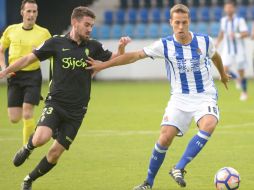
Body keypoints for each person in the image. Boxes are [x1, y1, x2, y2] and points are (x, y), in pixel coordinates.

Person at [86, 4, 229, 190]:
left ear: (189, 22)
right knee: (165, 137)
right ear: (171, 23)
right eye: (177, 23)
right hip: (179, 98)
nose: (180, 27)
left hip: (205, 95)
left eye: (184, 22)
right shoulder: (164, 45)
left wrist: (223, 74)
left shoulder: (204, 41)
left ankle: (179, 167)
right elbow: (134, 56)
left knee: (209, 123)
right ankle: (148, 182)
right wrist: (102, 66)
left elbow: (216, 56)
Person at [0, 6, 130, 190]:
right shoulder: (56, 42)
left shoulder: (93, 46)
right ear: (74, 23)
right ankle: (28, 147)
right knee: (40, 139)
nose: (89, 29)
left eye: (91, 25)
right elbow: (29, 59)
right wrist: (6, 70)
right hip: (56, 103)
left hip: (77, 111)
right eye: (86, 25)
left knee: (54, 154)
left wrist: (121, 48)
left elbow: (115, 59)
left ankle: (29, 179)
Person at [0, 0, 51, 145]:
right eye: (28, 11)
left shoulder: (44, 33)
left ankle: (26, 148)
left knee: (27, 112)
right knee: (14, 118)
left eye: (34, 11)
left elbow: (54, 52)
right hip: (14, 76)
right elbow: (1, 50)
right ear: (22, 12)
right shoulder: (11, 30)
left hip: (33, 76)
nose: (31, 14)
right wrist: (4, 68)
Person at [216, 0, 249, 101]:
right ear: (225, 9)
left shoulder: (240, 20)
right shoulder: (223, 20)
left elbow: (245, 33)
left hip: (239, 49)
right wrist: (217, 42)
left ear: (234, 8)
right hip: (227, 49)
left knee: (241, 71)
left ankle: (244, 92)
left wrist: (236, 35)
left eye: (230, 7)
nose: (228, 9)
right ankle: (236, 79)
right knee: (223, 69)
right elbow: (222, 32)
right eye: (227, 7)